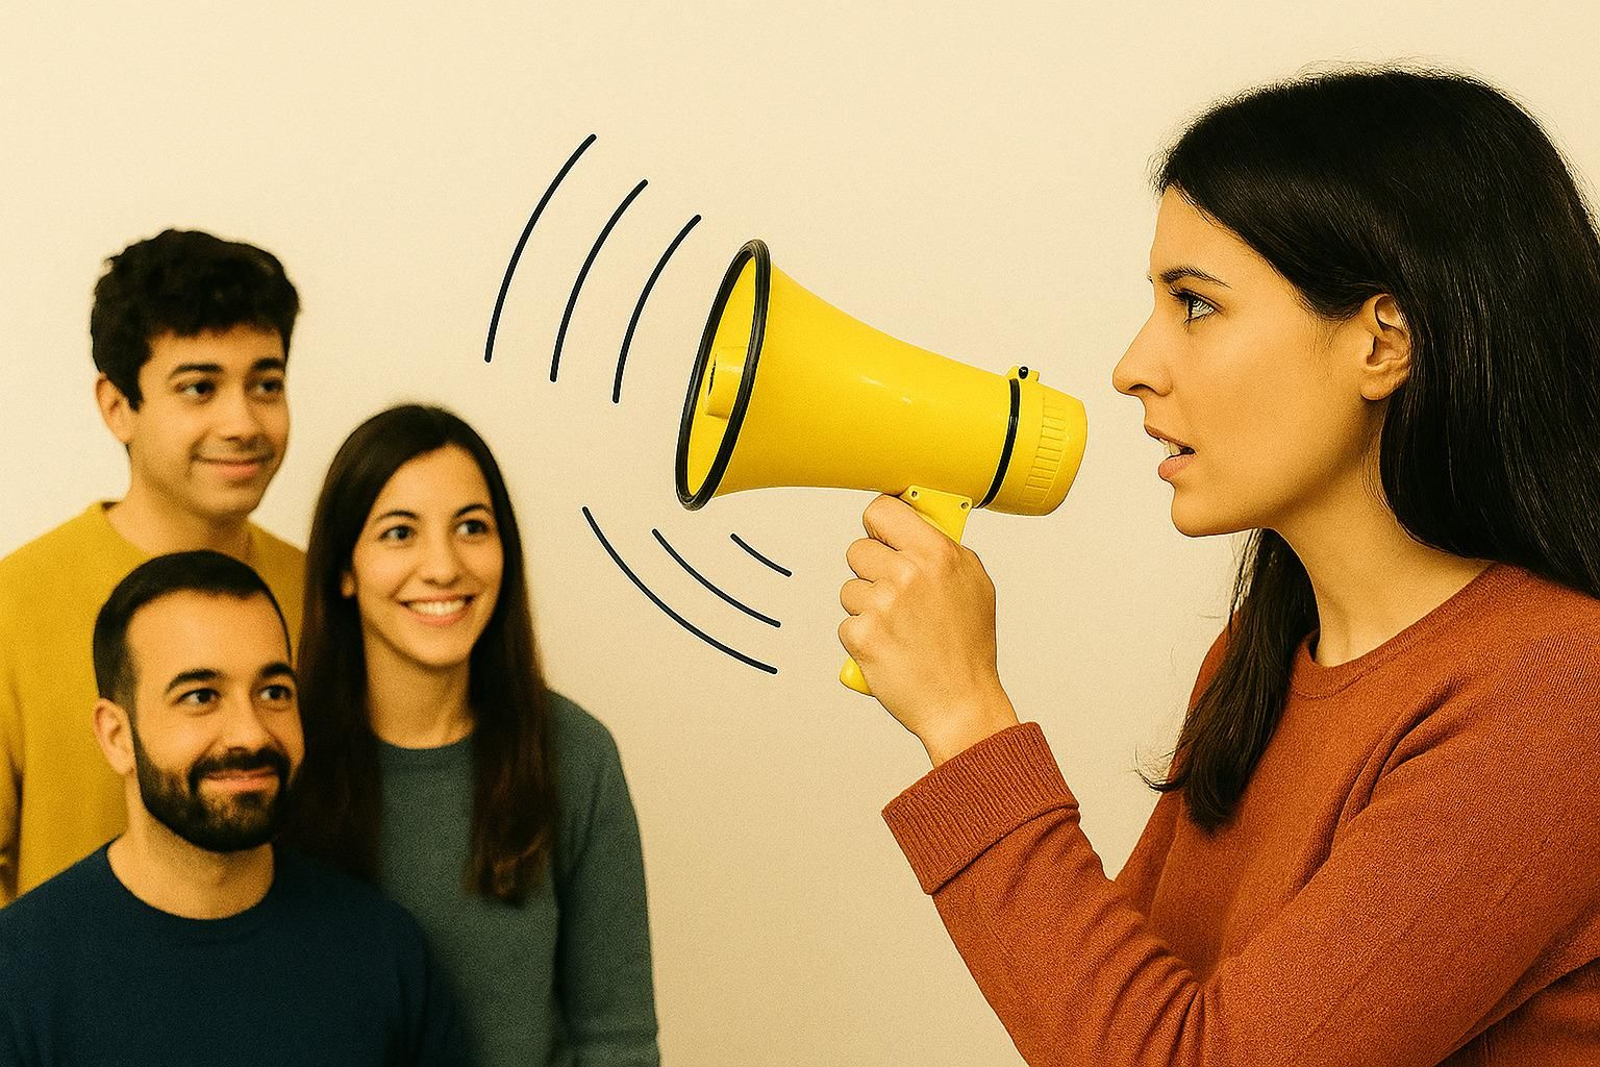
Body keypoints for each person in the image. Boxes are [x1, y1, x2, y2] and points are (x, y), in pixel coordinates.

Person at [839, 67, 1600, 1066]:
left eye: (1194, 304)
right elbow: (1116, 1022)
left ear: (1384, 341)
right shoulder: (1264, 655)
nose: (1131, 365)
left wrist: (964, 716)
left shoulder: (1556, 695)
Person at [286, 404, 660, 1066]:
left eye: (471, 527)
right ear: (344, 569)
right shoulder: (283, 759)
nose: (443, 565)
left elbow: (617, 1038)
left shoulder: (576, 753)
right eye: (399, 532)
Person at [0, 551, 462, 1065]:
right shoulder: (19, 975)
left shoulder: (385, 954)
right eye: (201, 696)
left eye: (273, 692)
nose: (250, 732)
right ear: (116, 737)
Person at [0, 229, 305, 903]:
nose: (243, 421)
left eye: (267, 384)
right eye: (199, 387)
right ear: (118, 407)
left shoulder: (324, 594)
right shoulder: (14, 603)